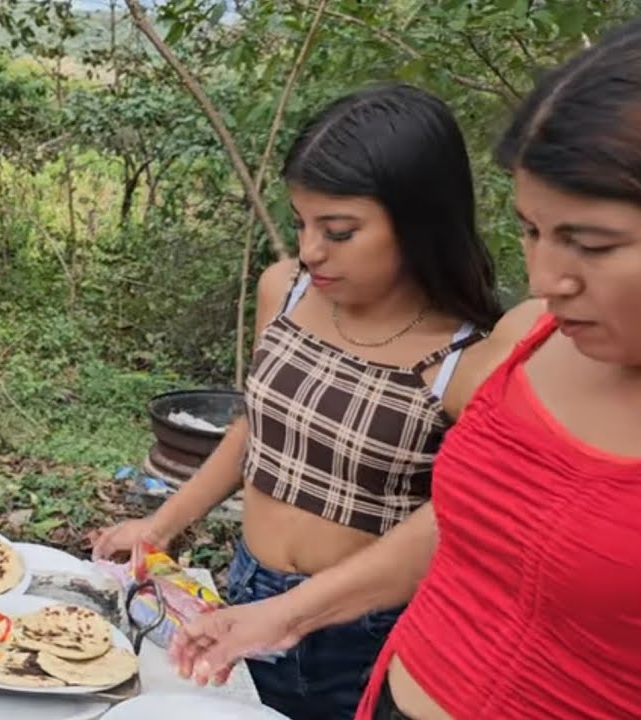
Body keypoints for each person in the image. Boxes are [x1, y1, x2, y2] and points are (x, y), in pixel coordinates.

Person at [167, 14, 641, 720]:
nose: (546, 278)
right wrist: (287, 613)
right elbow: (472, 520)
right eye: (530, 230)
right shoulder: (529, 342)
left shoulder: (462, 360)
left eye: (593, 244)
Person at [92, 84, 503, 720]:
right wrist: (161, 524)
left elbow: (456, 525)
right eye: (302, 223)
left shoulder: (468, 362)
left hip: (361, 631)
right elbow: (256, 426)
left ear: (421, 221)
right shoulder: (283, 292)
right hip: (246, 589)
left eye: (339, 231)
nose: (310, 251)